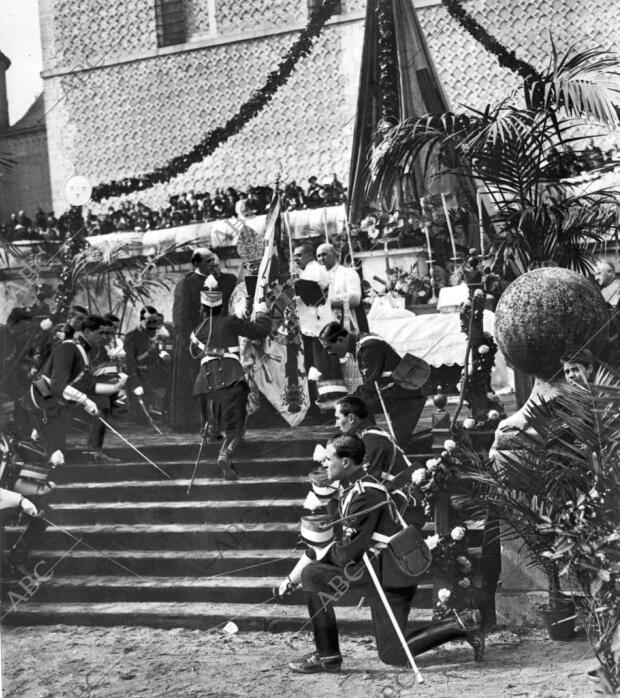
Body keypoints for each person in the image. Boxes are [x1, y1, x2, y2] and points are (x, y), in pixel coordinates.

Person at [280, 434, 482, 674]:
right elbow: (342, 542)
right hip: (380, 570)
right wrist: (298, 573)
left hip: (393, 574)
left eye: (328, 459)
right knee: (391, 653)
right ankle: (464, 623)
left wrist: (320, 559)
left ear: (346, 463)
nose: (323, 464)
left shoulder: (365, 494)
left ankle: (328, 656)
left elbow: (348, 554)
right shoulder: (353, 488)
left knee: (314, 575)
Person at [190, 276, 271, 479]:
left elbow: (193, 353)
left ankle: (212, 429)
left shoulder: (196, 331)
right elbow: (260, 331)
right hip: (231, 375)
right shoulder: (230, 321)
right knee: (236, 423)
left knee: (216, 418)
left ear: (201, 310)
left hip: (205, 381)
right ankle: (225, 454)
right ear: (220, 307)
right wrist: (261, 311)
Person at [319, 323, 427, 448]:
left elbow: (370, 387)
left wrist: (339, 402)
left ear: (340, 340)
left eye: (329, 348)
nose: (329, 353)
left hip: (408, 397)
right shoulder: (361, 344)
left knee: (396, 446)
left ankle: (370, 443)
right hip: (394, 395)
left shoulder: (369, 346)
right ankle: (368, 442)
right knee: (358, 409)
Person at [24, 315, 118, 456]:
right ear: (86, 331)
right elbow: (58, 386)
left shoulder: (89, 351)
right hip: (42, 401)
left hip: (57, 404)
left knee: (103, 401)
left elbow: (87, 385)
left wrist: (114, 387)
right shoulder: (68, 348)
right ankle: (37, 437)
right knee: (57, 456)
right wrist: (85, 400)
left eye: (108, 333)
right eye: (101, 333)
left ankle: (94, 451)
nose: (105, 337)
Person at [170, 248, 236, 433]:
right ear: (197, 264)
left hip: (220, 340)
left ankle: (220, 421)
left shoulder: (226, 280)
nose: (213, 265)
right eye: (208, 262)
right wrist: (192, 344)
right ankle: (195, 423)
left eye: (215, 261)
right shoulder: (186, 284)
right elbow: (180, 318)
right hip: (193, 344)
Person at [334, 395, 410, 484]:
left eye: (338, 418)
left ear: (351, 418)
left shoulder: (372, 441)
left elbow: (367, 484)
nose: (336, 424)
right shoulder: (373, 435)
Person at [124, 306, 170, 424]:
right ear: (141, 320)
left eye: (155, 322)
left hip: (153, 375)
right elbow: (130, 361)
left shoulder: (156, 334)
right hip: (138, 376)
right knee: (140, 416)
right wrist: (135, 383)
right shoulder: (132, 337)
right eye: (149, 322)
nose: (152, 325)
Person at [316, 244, 362, 333]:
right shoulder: (315, 278)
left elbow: (355, 298)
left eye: (324, 254)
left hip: (344, 326)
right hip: (322, 328)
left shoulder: (348, 273)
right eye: (318, 256)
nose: (321, 258)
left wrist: (327, 302)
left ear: (336, 255)